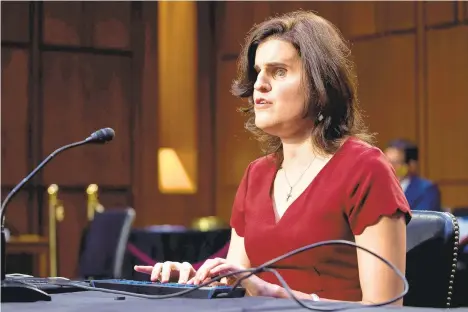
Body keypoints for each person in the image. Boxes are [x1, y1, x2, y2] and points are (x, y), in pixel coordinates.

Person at [135, 10, 411, 306]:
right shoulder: (256, 175)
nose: (259, 85)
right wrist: (196, 282)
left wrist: (275, 294)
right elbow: (235, 283)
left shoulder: (365, 168)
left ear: (320, 84)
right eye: (258, 72)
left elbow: (387, 307)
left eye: (278, 71)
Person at [385, 139, 441, 211]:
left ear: (411, 165)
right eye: (385, 161)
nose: (388, 166)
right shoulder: (376, 187)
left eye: (395, 162)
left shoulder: (427, 190)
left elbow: (422, 220)